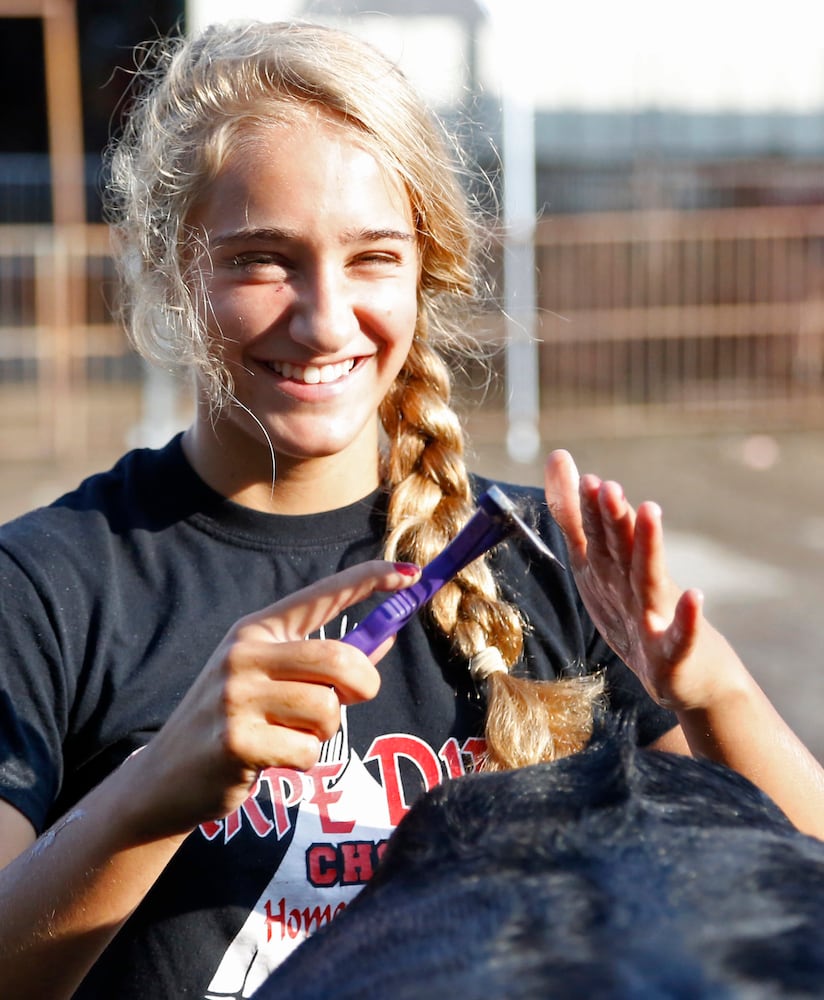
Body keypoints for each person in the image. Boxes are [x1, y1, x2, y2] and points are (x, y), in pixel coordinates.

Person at [0, 18, 821, 999]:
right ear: (176, 264)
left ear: (424, 265)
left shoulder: (541, 560)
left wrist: (706, 688)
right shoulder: (46, 588)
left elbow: (785, 903)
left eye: (372, 258)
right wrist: (146, 796)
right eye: (262, 258)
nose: (322, 318)